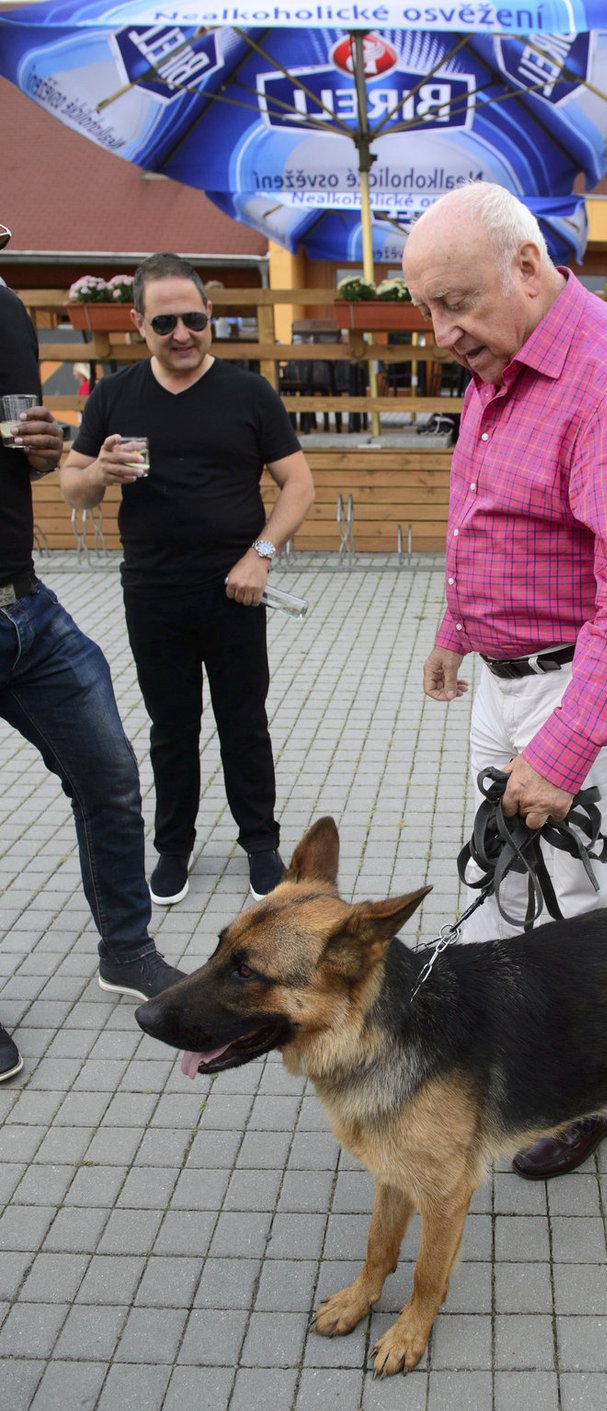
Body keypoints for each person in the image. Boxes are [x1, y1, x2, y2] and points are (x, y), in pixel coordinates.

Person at [403, 183, 607, 1180]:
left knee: (591, 903)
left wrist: (566, 746)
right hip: (507, 671)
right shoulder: (502, 357)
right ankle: (503, 1057)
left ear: (528, 266)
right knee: (499, 872)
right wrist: (457, 625)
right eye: (425, 310)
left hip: (590, 684)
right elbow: (489, 509)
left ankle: (602, 1092)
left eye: (456, 302)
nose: (441, 333)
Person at [62, 253, 315, 907]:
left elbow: (299, 483)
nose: (182, 333)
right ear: (138, 321)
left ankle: (260, 843)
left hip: (236, 589)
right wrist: (100, 475)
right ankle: (172, 849)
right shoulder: (115, 395)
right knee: (169, 726)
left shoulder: (248, 393)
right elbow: (74, 489)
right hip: (152, 592)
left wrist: (261, 553)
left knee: (244, 721)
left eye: (195, 319)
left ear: (211, 319)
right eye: (166, 321)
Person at [1, 246, 184, 1087]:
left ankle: (127, 947)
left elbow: (34, 459)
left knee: (109, 773)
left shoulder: (8, 312)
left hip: (24, 602)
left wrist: (42, 448)